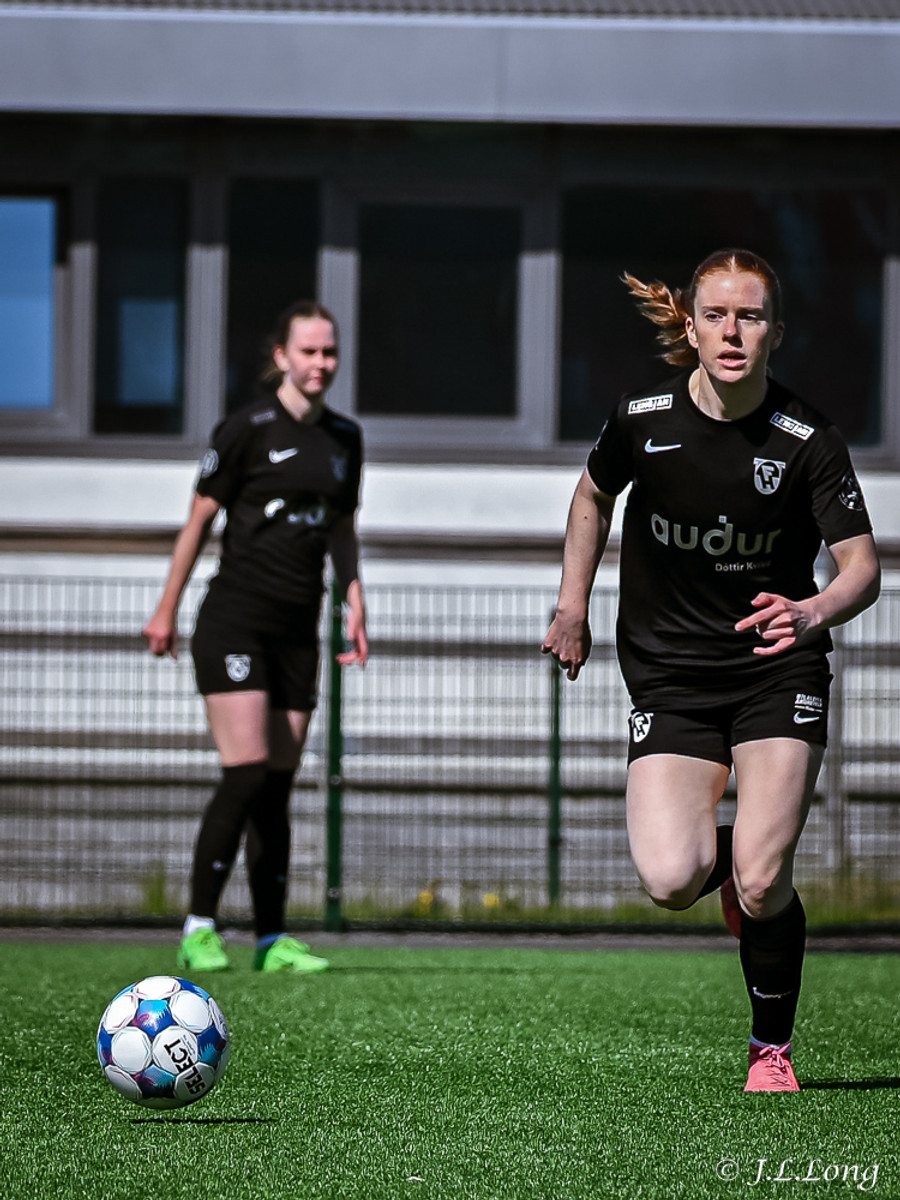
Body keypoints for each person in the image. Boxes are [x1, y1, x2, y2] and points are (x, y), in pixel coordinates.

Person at [542, 249, 880, 1092]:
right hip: (671, 678)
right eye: (717, 316)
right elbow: (591, 496)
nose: (733, 333)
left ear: (775, 333)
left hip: (776, 671)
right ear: (690, 328)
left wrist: (812, 611)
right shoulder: (641, 418)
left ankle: (772, 1049)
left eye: (750, 317)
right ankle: (738, 861)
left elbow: (862, 569)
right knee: (670, 878)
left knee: (763, 881)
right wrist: (572, 606)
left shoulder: (807, 439)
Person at [143, 300, 367, 974]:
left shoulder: (345, 438)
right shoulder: (246, 429)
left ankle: (271, 940)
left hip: (298, 632)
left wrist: (355, 603)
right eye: (308, 351)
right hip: (234, 622)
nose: (320, 363)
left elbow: (341, 531)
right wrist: (165, 610)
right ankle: (199, 926)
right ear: (281, 357)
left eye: (329, 352)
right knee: (244, 772)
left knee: (276, 784)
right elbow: (198, 521)